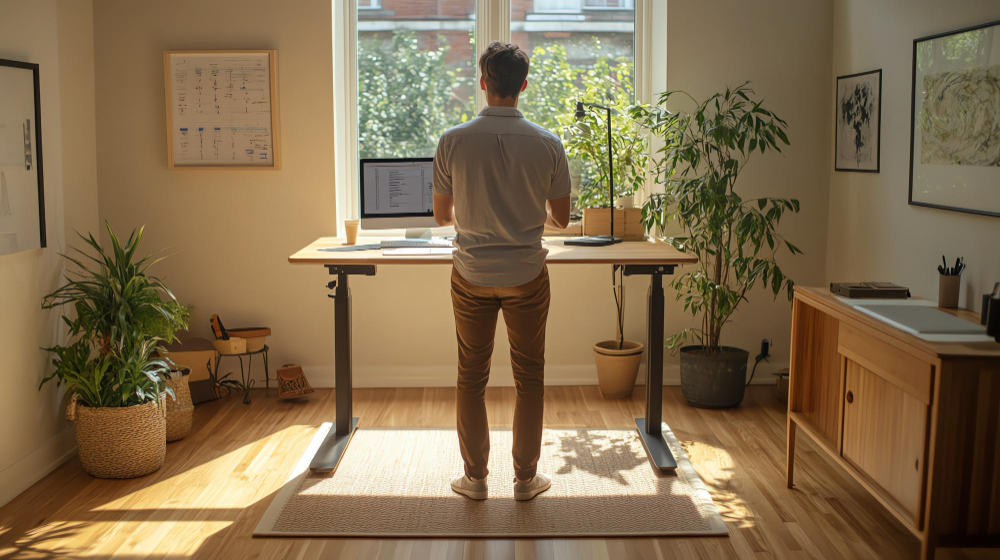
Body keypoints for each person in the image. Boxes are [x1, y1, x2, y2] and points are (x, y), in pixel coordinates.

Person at [432, 42, 572, 502]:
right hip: (526, 275)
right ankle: (526, 480)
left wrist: (479, 212)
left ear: (483, 83)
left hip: (471, 274)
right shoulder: (548, 143)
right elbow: (562, 220)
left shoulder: (452, 140)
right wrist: (527, 212)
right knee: (528, 376)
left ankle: (474, 480)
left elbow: (440, 216)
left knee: (471, 375)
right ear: (524, 86)